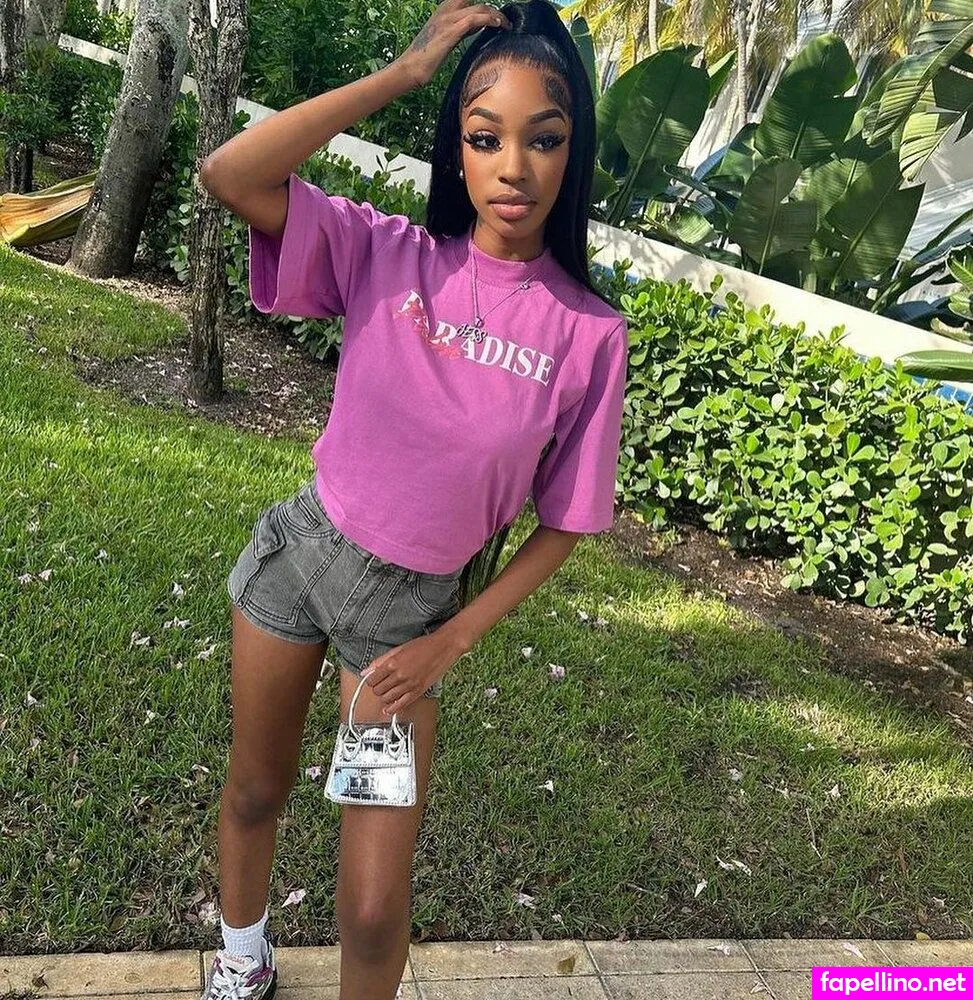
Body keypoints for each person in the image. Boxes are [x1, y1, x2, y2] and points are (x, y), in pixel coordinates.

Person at [197, 1, 629, 998]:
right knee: (255, 789)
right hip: (299, 558)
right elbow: (229, 173)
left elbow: (565, 522)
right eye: (484, 137)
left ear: (572, 155)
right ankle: (241, 957)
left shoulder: (587, 333)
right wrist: (402, 72)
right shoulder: (385, 251)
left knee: (372, 907)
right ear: (456, 150)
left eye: (543, 138)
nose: (513, 167)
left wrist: (450, 641)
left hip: (405, 626)